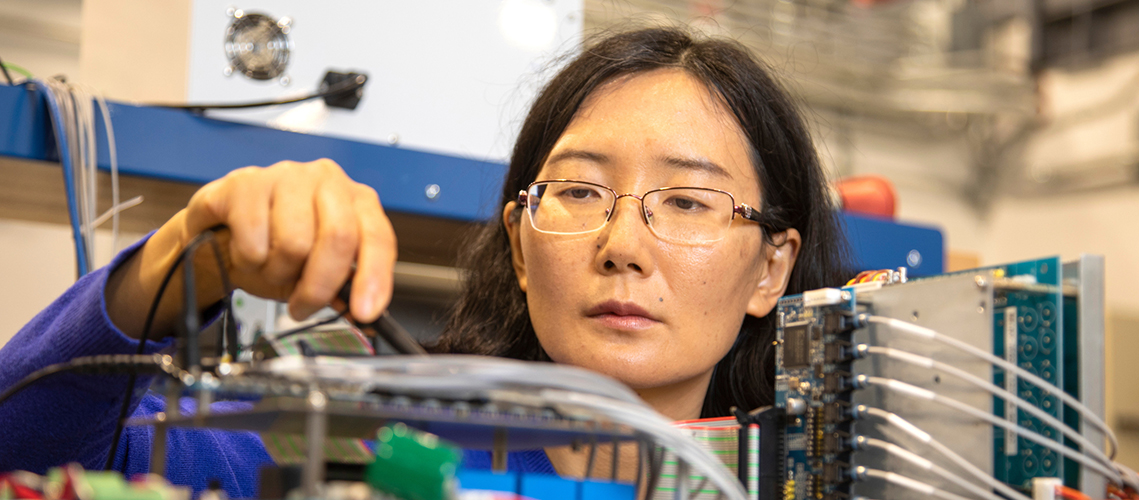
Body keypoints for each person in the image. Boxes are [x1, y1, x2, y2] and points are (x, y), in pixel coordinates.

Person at [0, 27, 850, 497]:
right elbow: (30, 455)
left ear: (772, 271)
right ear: (519, 245)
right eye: (580, 193)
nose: (622, 247)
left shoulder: (836, 480)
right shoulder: (359, 439)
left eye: (689, 202)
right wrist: (178, 264)